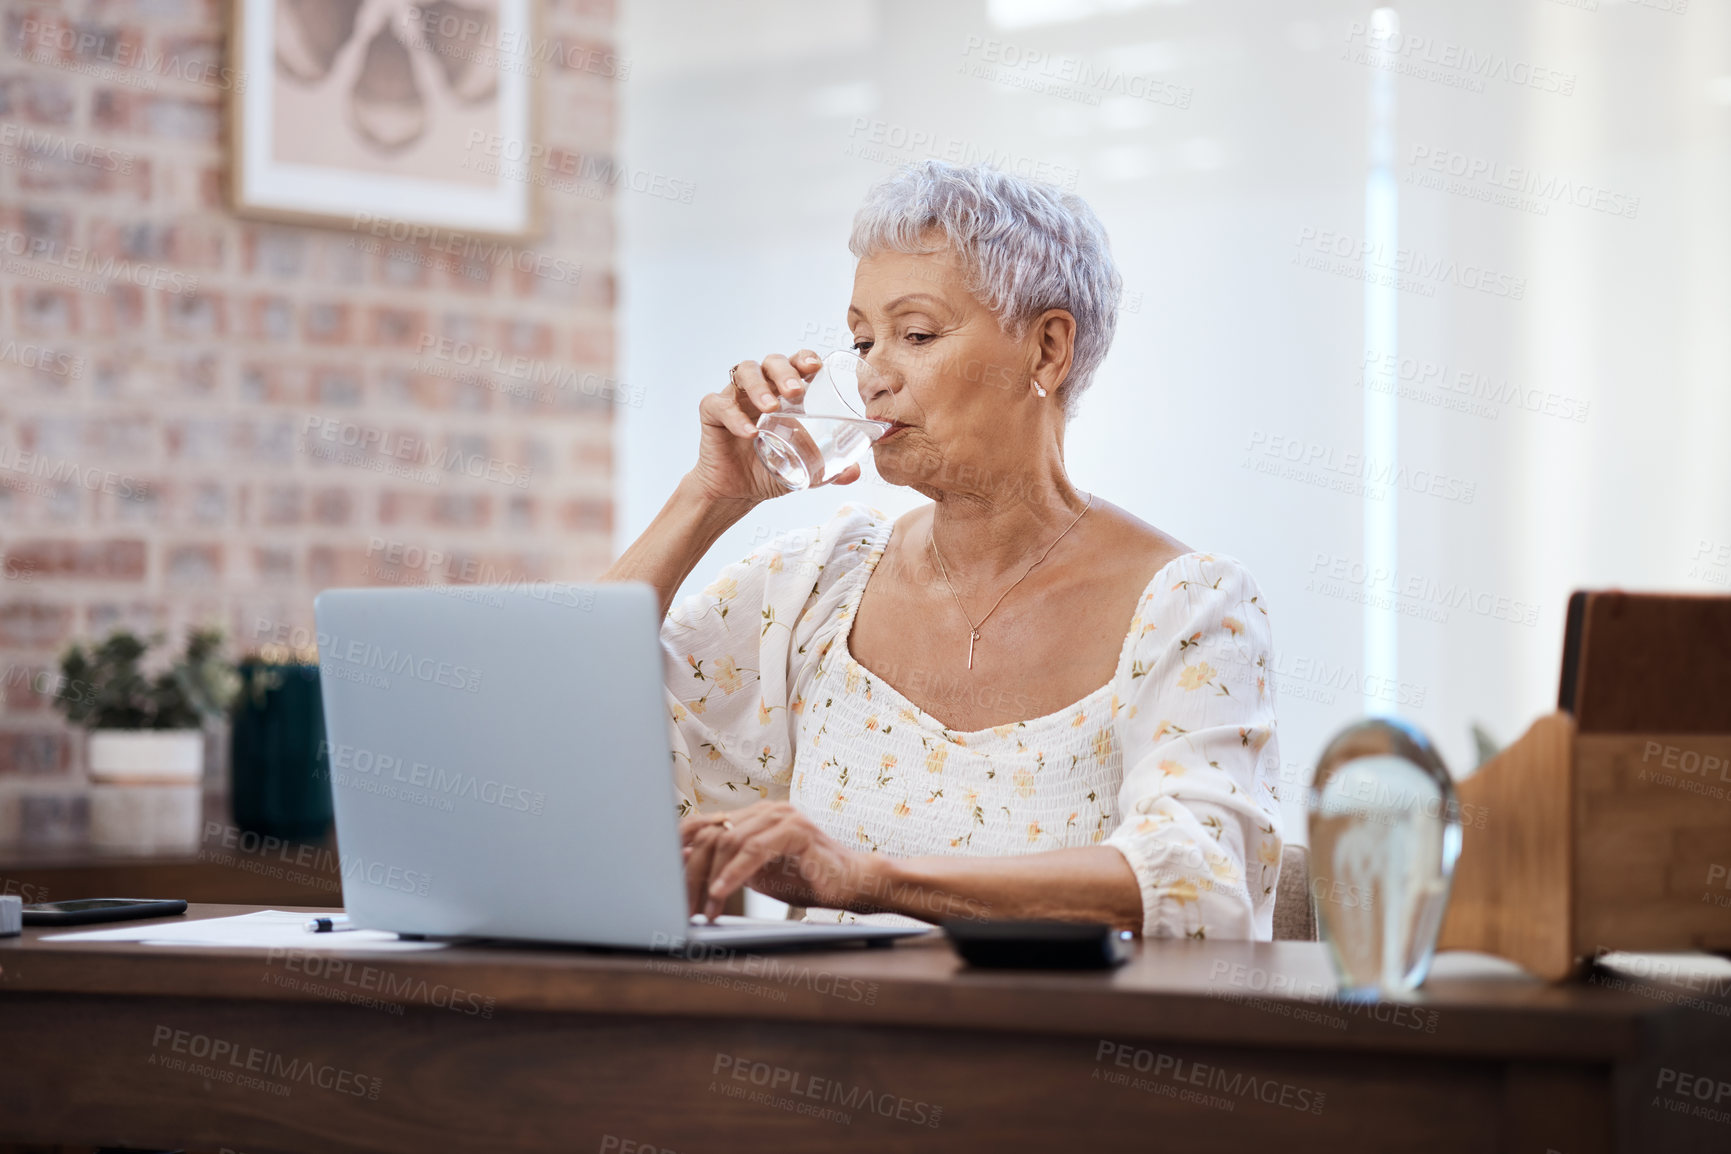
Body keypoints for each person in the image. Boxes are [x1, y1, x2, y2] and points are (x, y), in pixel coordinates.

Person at [602, 160, 1283, 939]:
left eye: (916, 334)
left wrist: (867, 878)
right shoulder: (818, 586)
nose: (870, 377)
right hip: (825, 1053)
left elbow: (1197, 878)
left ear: (1047, 351)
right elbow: (566, 728)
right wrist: (706, 499)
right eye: (861, 340)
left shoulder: (1190, 607)